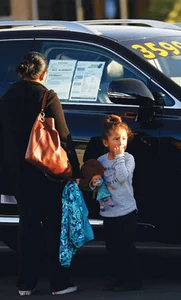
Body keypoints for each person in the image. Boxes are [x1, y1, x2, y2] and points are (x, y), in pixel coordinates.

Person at [0, 52, 81, 296]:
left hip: (19, 173)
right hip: (47, 172)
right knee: (54, 226)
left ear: (21, 72)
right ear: (44, 74)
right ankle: (59, 282)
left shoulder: (6, 97)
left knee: (28, 226)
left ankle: (25, 284)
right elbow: (63, 136)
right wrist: (74, 171)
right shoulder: (47, 96)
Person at [93, 114, 141, 292]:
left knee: (126, 246)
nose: (120, 143)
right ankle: (116, 277)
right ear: (106, 143)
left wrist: (119, 156)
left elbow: (122, 177)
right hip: (109, 211)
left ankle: (132, 280)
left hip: (126, 211)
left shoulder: (128, 159)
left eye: (123, 138)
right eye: (115, 139)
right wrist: (94, 182)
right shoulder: (101, 161)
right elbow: (96, 186)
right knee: (112, 248)